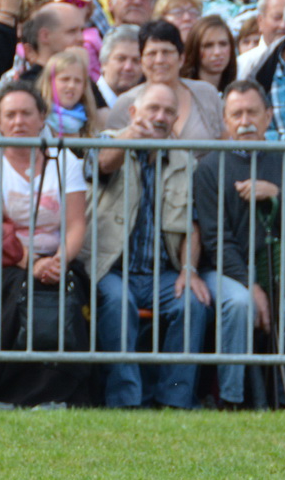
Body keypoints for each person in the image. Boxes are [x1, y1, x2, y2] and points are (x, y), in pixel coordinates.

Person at [0, 82, 93, 405]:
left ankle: (64, 391)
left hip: (58, 258)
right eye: (10, 115)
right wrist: (32, 265)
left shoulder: (66, 162)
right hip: (1, 260)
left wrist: (59, 262)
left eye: (26, 113)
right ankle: (1, 391)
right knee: (14, 291)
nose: (18, 121)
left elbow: (76, 224)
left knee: (70, 292)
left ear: (42, 117)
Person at [192, 80, 285, 409]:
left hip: (277, 268)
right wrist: (251, 285)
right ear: (225, 120)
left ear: (269, 116)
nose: (245, 120)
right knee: (240, 302)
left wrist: (274, 195)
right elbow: (216, 242)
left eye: (252, 112)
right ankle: (230, 401)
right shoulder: (208, 167)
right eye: (237, 114)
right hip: (223, 271)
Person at [88, 80, 209, 409]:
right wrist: (131, 137)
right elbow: (102, 165)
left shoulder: (185, 160)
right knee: (116, 302)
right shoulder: (107, 142)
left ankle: (174, 398)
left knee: (192, 303)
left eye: (169, 111)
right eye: (153, 108)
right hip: (110, 268)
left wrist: (188, 269)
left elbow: (191, 224)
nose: (160, 116)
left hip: (162, 272)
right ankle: (125, 400)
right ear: (132, 112)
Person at [105, 21, 224, 142]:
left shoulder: (206, 93)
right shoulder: (126, 102)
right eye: (152, 53)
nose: (159, 60)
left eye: (166, 52)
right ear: (141, 61)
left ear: (182, 58)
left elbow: (223, 142)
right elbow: (109, 154)